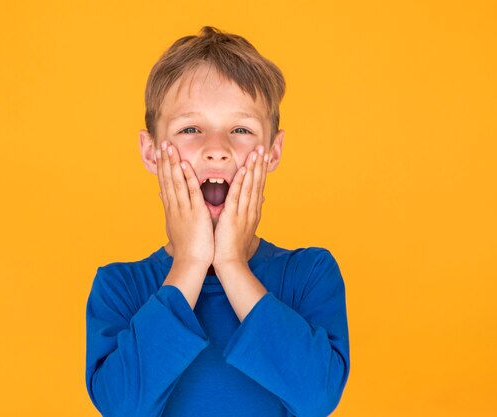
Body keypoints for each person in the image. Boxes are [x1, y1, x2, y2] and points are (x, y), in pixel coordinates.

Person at [85, 26, 350, 417]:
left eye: (241, 130)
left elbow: (316, 399)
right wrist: (190, 263)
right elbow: (122, 407)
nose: (217, 150)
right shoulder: (119, 287)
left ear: (274, 151)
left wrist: (231, 264)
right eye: (190, 129)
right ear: (151, 151)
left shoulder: (309, 274)